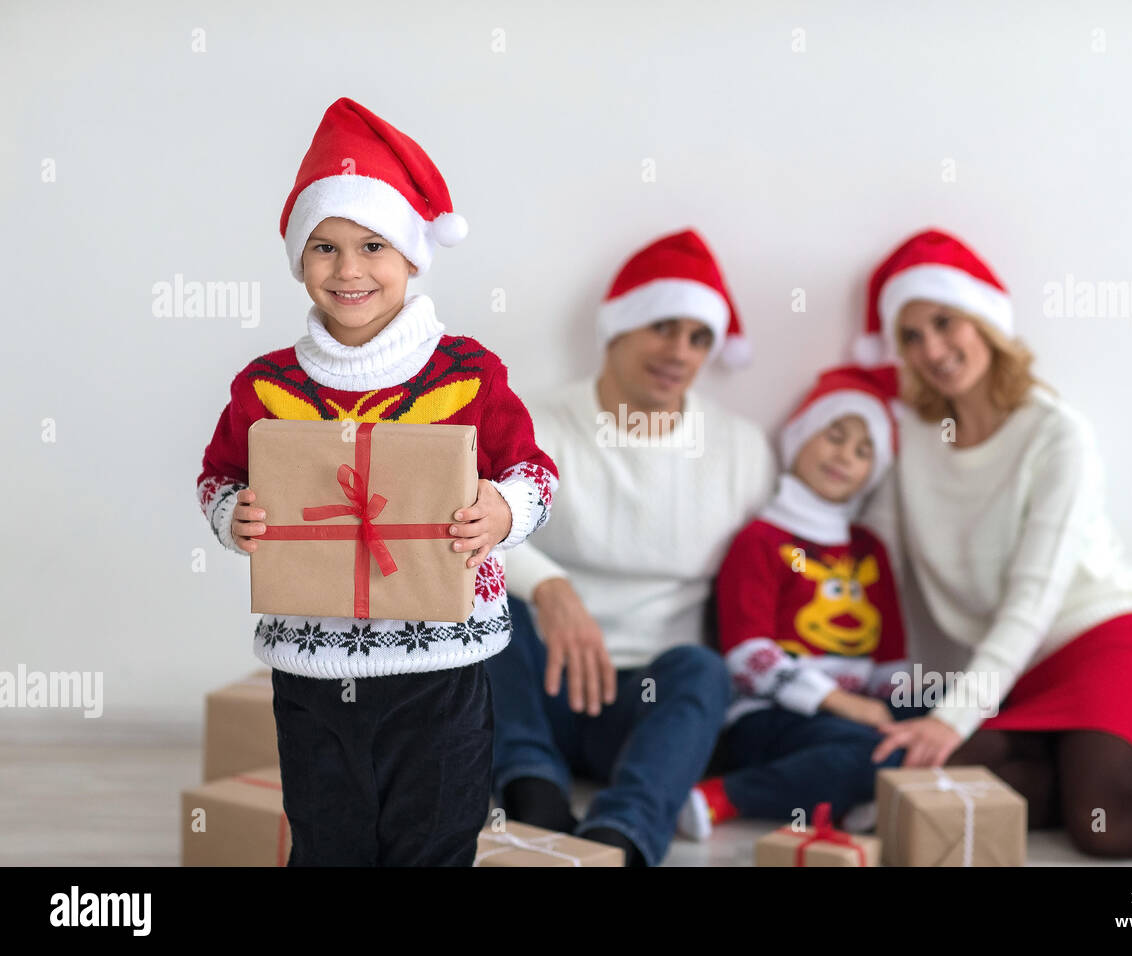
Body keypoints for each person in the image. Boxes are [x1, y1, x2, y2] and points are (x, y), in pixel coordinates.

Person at [196, 98, 558, 866]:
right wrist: (235, 516)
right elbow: (219, 476)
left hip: (441, 661)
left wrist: (503, 508)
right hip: (312, 664)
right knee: (329, 836)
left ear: (412, 256)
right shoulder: (264, 385)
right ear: (299, 261)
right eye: (323, 248)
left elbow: (534, 472)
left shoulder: (467, 371)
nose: (349, 269)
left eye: (372, 245)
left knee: (432, 834)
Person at [859, 227, 1132, 856]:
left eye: (943, 321)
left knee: (1105, 824)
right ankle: (1113, 769)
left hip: (1106, 648)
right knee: (927, 791)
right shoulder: (916, 444)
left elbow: (1033, 599)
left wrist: (951, 715)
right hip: (1021, 676)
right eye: (911, 335)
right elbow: (874, 559)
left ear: (982, 320)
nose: (932, 347)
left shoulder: (1056, 434)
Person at [490, 228, 778, 866]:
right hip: (543, 685)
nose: (679, 352)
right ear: (618, 329)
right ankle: (532, 792)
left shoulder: (741, 449)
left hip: (648, 708)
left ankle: (619, 838)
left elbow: (766, 573)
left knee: (703, 672)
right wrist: (551, 587)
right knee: (484, 607)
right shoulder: (535, 423)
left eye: (699, 338)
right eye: (662, 327)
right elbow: (466, 527)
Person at [678, 364, 927, 839]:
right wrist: (839, 702)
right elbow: (747, 657)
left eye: (863, 451)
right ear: (801, 435)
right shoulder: (760, 539)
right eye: (835, 436)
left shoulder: (868, 548)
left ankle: (852, 791)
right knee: (880, 751)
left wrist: (914, 709)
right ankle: (723, 797)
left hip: (854, 713)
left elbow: (889, 658)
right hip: (770, 715)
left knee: (936, 726)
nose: (845, 457)